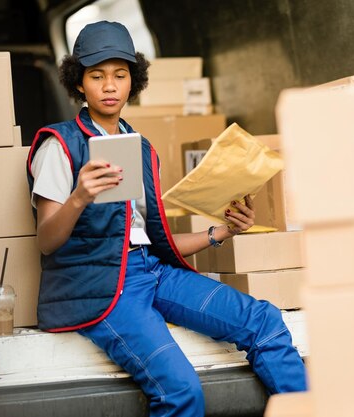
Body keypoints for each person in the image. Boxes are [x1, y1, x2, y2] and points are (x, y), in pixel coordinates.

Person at [26, 20, 307, 417]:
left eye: (120, 75)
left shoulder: (141, 148)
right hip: (103, 288)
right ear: (78, 82)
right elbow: (47, 241)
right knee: (181, 390)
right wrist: (79, 197)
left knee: (266, 322)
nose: (109, 86)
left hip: (151, 272)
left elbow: (153, 241)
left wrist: (222, 231)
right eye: (97, 76)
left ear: (133, 82)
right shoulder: (59, 145)